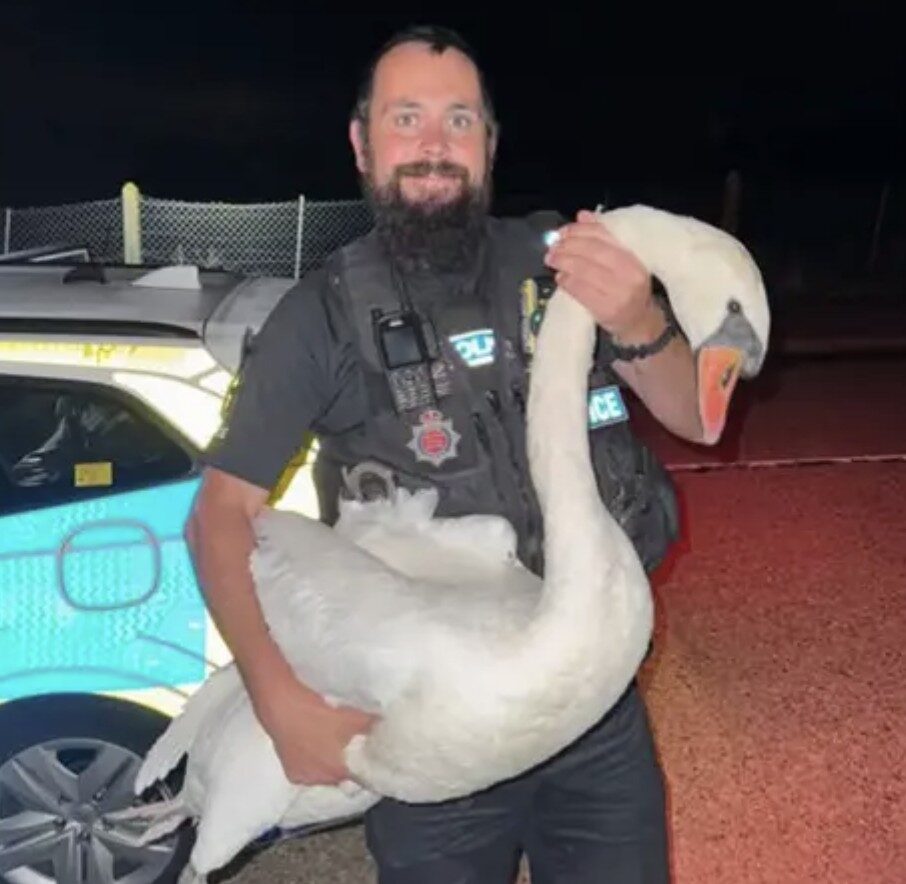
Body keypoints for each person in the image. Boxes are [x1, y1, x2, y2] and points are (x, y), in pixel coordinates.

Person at [188, 24, 708, 883]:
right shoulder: (319, 316)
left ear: (491, 143)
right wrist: (282, 703)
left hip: (592, 703)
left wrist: (641, 322)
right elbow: (219, 518)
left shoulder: (566, 267)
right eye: (407, 120)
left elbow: (696, 419)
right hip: (440, 725)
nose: (434, 145)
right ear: (361, 143)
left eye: (459, 121)